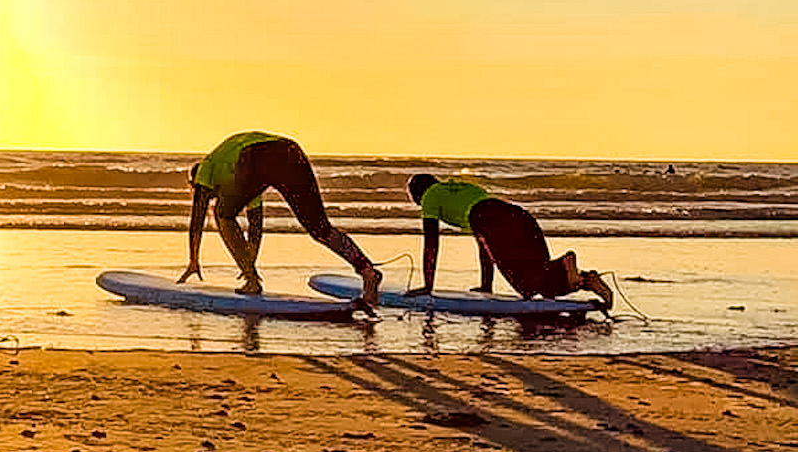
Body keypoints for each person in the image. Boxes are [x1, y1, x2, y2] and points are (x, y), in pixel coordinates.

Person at [180, 131, 382, 308]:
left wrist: (193, 261)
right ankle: (367, 271)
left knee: (222, 214)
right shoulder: (238, 175)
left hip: (257, 154)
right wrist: (249, 263)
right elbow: (255, 225)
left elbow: (197, 220)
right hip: (290, 150)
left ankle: (252, 283)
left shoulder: (206, 169)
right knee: (320, 228)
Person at [406, 173, 613, 308]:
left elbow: (431, 243)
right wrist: (486, 286)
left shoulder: (430, 197)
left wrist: (427, 287)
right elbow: (484, 244)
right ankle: (585, 280)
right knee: (541, 278)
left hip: (493, 222)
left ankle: (565, 264)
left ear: (418, 193)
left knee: (528, 288)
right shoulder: (467, 190)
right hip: (520, 217)